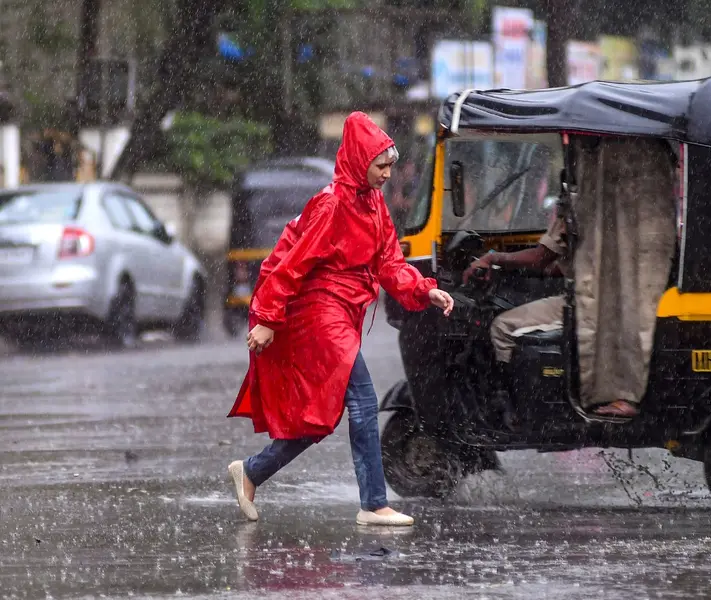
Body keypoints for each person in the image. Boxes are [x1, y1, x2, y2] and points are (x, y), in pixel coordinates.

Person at [226, 112, 455, 527]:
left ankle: (253, 471)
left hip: (343, 316)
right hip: (318, 313)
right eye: (380, 165)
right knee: (364, 401)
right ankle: (373, 503)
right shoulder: (331, 205)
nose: (387, 173)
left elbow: (389, 263)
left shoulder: (374, 205)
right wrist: (267, 318)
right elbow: (290, 265)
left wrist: (424, 289)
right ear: (359, 161)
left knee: (321, 417)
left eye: (389, 165)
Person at [463, 204, 639, 421]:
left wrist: (492, 258)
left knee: (502, 327)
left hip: (589, 304)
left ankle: (510, 405)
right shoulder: (623, 204)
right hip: (623, 302)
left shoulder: (579, 203)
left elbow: (539, 258)